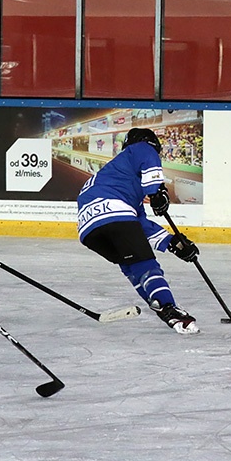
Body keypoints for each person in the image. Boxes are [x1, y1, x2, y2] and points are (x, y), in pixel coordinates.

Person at [76, 127, 201, 335]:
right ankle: (168, 307)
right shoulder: (139, 149)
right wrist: (157, 191)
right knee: (145, 264)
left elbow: (138, 222)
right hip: (115, 214)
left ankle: (165, 311)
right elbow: (147, 155)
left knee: (131, 263)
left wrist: (172, 242)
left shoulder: (114, 177)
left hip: (89, 231)